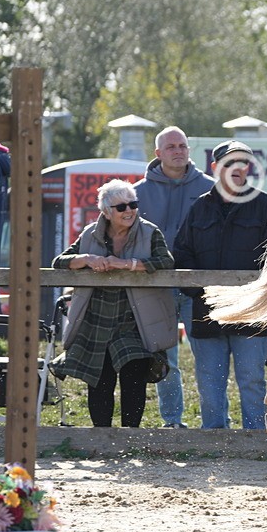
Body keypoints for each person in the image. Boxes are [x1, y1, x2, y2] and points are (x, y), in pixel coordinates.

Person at [52, 180, 177, 428]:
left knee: (135, 374)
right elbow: (60, 262)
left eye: (133, 204)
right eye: (121, 207)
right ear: (106, 212)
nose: (129, 211)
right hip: (96, 318)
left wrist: (128, 264)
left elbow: (166, 261)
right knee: (99, 380)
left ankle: (130, 436)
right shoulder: (90, 234)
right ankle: (102, 437)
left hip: (135, 318)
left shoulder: (150, 232)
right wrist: (86, 259)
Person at [174, 141, 267, 430]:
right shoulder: (199, 208)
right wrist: (202, 292)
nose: (237, 167)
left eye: (243, 162)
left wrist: (259, 295)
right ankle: (214, 443)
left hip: (251, 311)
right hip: (206, 312)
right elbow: (182, 255)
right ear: (215, 168)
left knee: (252, 380)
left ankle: (257, 444)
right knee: (209, 384)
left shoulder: (265, 206)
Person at [133, 126, 216, 428]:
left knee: (208, 358)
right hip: (156, 287)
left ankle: (215, 423)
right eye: (171, 147)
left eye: (182, 145)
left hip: (198, 286)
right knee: (165, 360)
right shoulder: (138, 193)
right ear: (158, 154)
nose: (178, 151)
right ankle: (172, 421)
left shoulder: (210, 188)